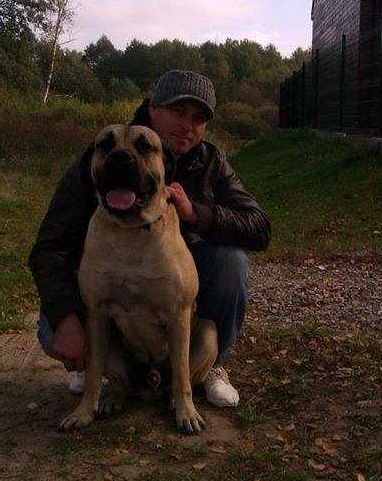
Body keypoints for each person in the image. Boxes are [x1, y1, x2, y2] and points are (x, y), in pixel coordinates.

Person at [29, 70, 271, 407]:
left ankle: (211, 365)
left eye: (198, 118)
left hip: (173, 280)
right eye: (178, 111)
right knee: (53, 328)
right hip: (108, 276)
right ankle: (98, 365)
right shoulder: (101, 155)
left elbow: (259, 227)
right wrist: (66, 317)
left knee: (231, 260)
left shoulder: (211, 162)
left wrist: (196, 214)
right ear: (154, 109)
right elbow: (50, 247)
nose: (187, 125)